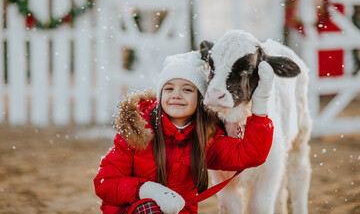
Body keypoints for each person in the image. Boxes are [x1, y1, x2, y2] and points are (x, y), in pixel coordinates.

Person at [93, 51, 274, 214]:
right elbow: (105, 183)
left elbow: (251, 154)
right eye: (169, 88)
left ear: (201, 99)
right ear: (160, 95)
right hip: (133, 209)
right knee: (151, 209)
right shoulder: (138, 131)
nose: (176, 95)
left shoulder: (205, 136)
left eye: (187, 89)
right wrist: (149, 190)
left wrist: (260, 107)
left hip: (180, 211)